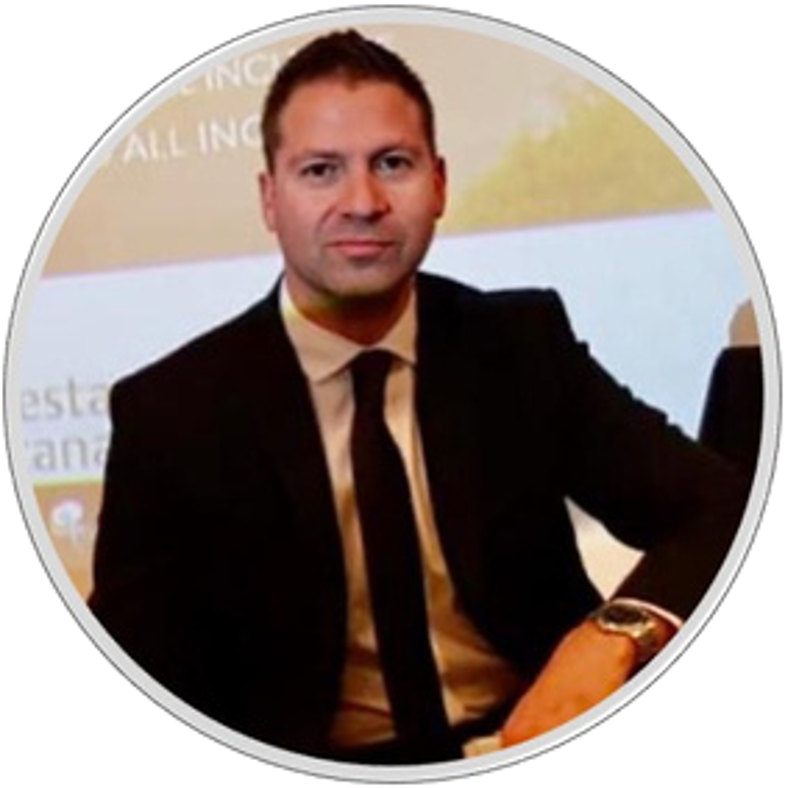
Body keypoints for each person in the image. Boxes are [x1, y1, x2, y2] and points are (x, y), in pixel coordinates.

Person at [89, 30, 748, 764]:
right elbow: (141, 672)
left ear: (438, 185)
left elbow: (720, 507)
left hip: (532, 731)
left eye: (392, 164)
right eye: (321, 171)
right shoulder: (171, 413)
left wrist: (617, 632)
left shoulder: (520, 343)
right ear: (270, 199)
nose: (362, 202)